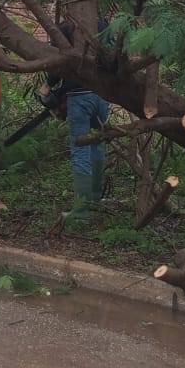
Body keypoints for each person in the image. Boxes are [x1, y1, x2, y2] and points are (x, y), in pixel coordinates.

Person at [38, 23, 111, 228]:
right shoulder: (102, 24)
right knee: (97, 144)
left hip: (80, 97)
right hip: (103, 95)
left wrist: (48, 86)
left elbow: (61, 61)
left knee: (81, 150)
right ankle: (95, 198)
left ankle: (81, 210)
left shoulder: (67, 30)